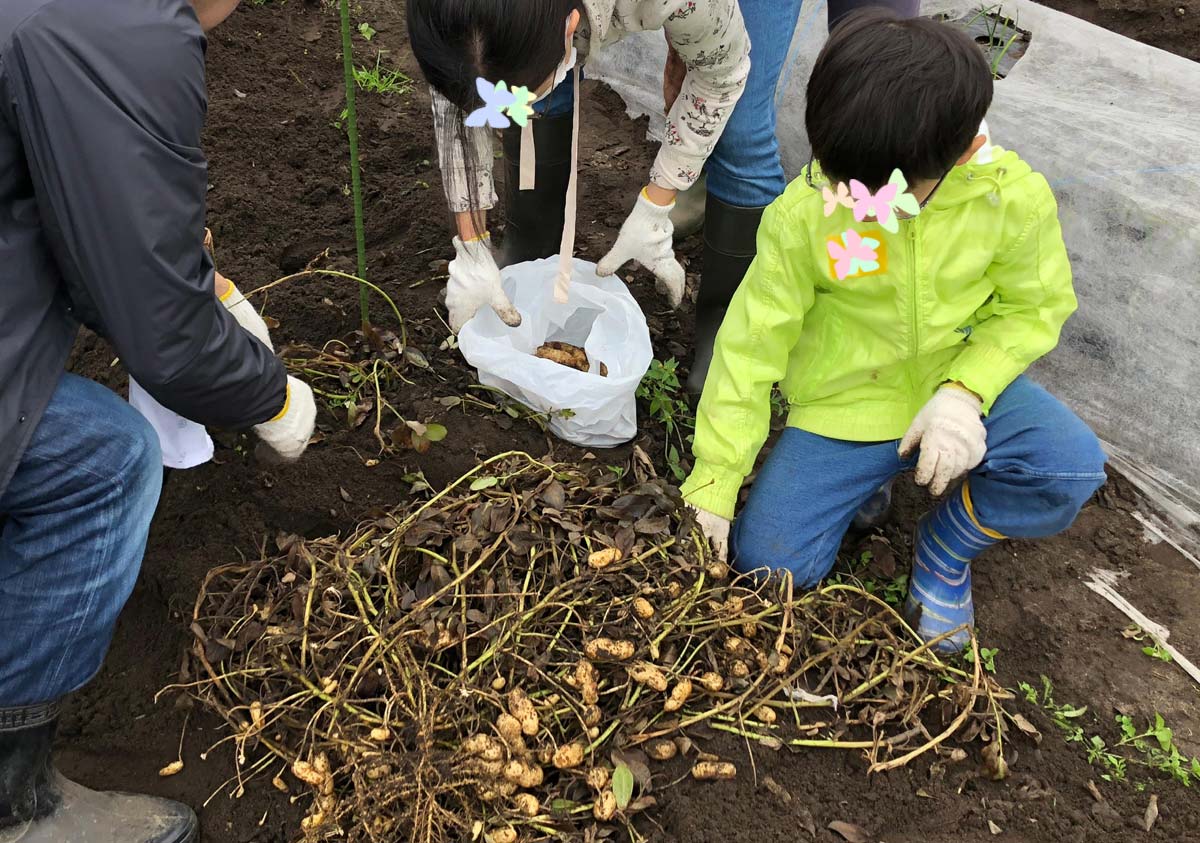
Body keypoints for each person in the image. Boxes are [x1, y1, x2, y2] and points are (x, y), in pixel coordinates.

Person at [680, 9, 1108, 653]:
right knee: (771, 569)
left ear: (962, 152)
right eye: (842, 180)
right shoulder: (807, 215)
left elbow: (1033, 307)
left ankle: (945, 548)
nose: (854, 203)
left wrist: (966, 392)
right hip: (844, 406)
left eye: (875, 189)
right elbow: (748, 349)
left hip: (954, 384)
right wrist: (714, 483)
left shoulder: (1007, 198)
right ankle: (871, 473)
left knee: (1070, 468)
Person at [0, 1, 315, 840]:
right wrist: (272, 395)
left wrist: (183, 270)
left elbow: (73, 208)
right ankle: (15, 801)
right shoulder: (122, 25)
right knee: (107, 464)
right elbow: (164, 335)